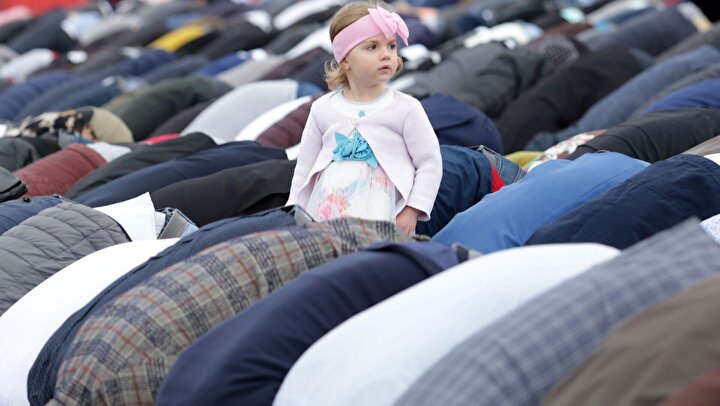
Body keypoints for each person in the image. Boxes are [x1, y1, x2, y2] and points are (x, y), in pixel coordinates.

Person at [286, 1, 442, 235]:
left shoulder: (407, 108)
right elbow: (304, 167)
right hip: (326, 210)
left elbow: (430, 162)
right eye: (372, 47)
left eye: (391, 46)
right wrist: (293, 211)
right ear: (345, 59)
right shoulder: (322, 109)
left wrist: (412, 210)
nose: (386, 55)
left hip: (381, 214)